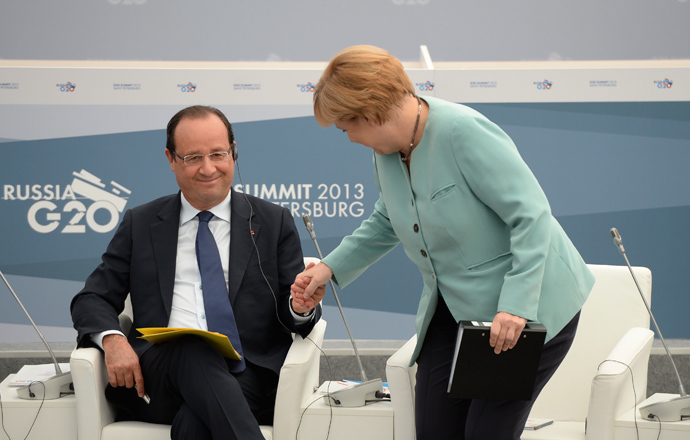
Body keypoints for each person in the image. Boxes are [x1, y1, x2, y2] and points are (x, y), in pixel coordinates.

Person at [291, 45, 595, 440]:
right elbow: (388, 219)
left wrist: (517, 307)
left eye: (346, 127)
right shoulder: (385, 150)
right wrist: (329, 268)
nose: (348, 139)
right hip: (455, 311)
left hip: (527, 309)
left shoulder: (463, 131)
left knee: (485, 434)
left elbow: (531, 216)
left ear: (371, 111)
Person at [71, 105, 324, 440]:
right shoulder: (142, 223)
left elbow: (290, 305)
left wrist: (300, 306)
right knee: (191, 347)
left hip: (246, 373)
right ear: (172, 159)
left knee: (195, 422)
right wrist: (114, 339)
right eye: (193, 157)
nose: (208, 168)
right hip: (157, 377)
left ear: (234, 153)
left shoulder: (271, 221)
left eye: (218, 154)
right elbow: (92, 298)